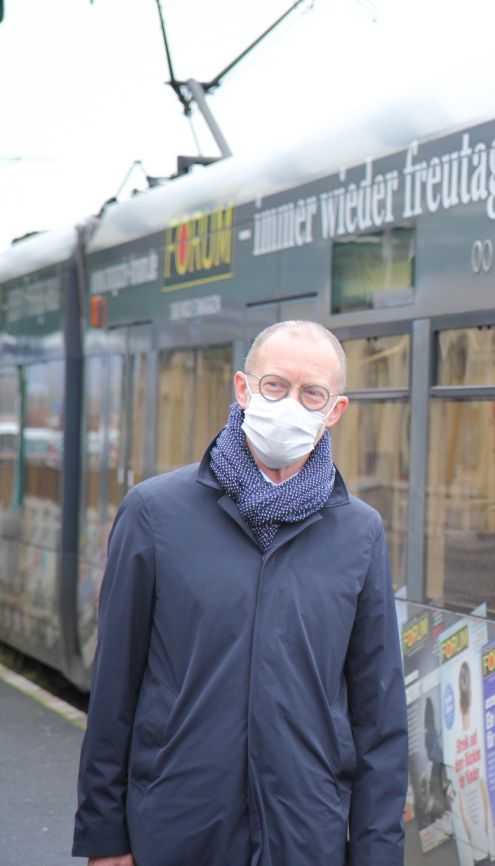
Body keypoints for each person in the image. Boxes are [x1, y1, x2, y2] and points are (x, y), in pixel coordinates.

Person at [73, 321, 408, 866]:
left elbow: (379, 716)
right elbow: (114, 689)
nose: (291, 404)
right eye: (275, 385)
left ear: (335, 411)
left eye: (311, 393)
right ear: (243, 388)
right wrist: (105, 839)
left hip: (304, 836)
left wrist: (376, 854)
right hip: (176, 831)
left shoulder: (359, 534)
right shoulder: (155, 513)